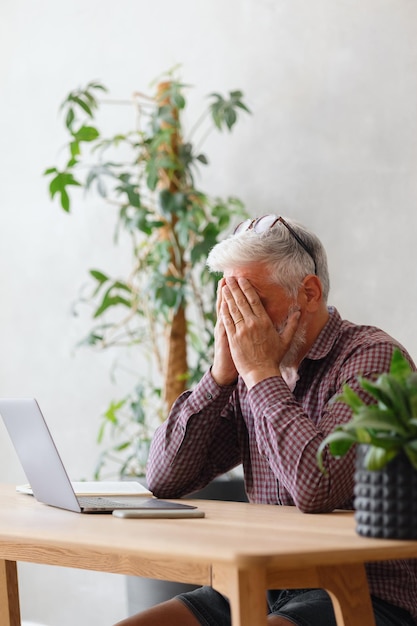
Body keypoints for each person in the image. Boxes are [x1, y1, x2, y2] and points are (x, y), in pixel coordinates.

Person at [115, 215, 417, 626]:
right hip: (263, 582)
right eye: (232, 304)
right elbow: (165, 479)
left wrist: (260, 374)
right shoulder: (246, 370)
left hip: (360, 589)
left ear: (309, 293)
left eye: (253, 301)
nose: (242, 322)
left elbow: (318, 488)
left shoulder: (372, 357)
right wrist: (220, 375)